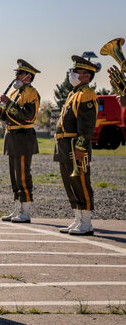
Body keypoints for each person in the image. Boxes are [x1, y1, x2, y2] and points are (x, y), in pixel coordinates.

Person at [56, 56, 99, 235]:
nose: (72, 74)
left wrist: (80, 147)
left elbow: (87, 124)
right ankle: (77, 217)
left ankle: (87, 221)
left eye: (77, 72)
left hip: (75, 144)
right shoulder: (74, 93)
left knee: (81, 180)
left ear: (87, 76)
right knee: (70, 182)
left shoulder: (86, 94)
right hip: (65, 143)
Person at [0, 59, 41, 223]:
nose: (16, 75)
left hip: (23, 137)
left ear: (28, 76)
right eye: (16, 72)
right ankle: (17, 208)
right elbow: (9, 116)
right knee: (14, 176)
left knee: (22, 175)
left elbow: (27, 116)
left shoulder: (31, 93)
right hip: (12, 137)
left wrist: (8, 103)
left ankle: (26, 210)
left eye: (19, 73)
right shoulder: (16, 93)